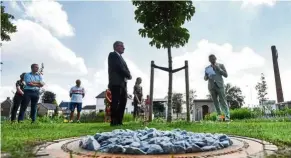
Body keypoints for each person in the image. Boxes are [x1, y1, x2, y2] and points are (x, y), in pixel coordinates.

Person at [108, 41, 132, 126]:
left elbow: (126, 68)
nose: (124, 48)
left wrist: (128, 75)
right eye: (122, 46)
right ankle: (114, 121)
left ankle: (119, 121)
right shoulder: (112, 55)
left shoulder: (122, 58)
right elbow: (119, 67)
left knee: (123, 101)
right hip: (116, 83)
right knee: (115, 101)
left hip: (123, 84)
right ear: (116, 47)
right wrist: (128, 75)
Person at [204, 54, 230, 121]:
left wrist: (219, 69)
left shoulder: (221, 65)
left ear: (215, 58)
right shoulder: (207, 68)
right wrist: (207, 76)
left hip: (220, 85)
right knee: (216, 103)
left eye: (213, 58)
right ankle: (220, 117)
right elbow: (205, 78)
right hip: (211, 86)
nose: (212, 59)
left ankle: (227, 117)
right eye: (210, 59)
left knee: (223, 101)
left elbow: (226, 75)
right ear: (209, 60)